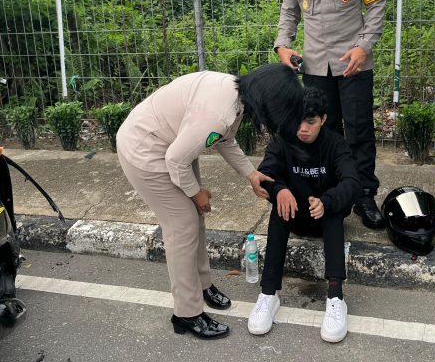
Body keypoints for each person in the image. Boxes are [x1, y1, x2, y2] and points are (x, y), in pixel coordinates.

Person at [115, 63, 303, 340]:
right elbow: (175, 160)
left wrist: (250, 174)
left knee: (195, 218)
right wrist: (195, 192)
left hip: (172, 146)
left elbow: (224, 140)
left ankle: (202, 285)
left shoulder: (236, 94)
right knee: (182, 225)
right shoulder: (218, 113)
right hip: (146, 152)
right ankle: (186, 314)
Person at [274, 0, 387, 230]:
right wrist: (282, 45)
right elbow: (289, 11)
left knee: (359, 131)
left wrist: (363, 47)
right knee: (323, 132)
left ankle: (365, 195)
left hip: (353, 63)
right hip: (314, 65)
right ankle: (330, 193)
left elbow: (377, 5)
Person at [247, 86, 361, 343]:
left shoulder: (335, 143)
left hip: (324, 214)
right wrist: (278, 189)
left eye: (310, 122)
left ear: (322, 119)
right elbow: (263, 174)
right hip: (294, 214)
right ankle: (268, 294)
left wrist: (327, 201)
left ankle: (335, 298)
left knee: (332, 212)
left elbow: (353, 182)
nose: (303, 129)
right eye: (298, 120)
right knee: (280, 209)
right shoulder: (282, 139)